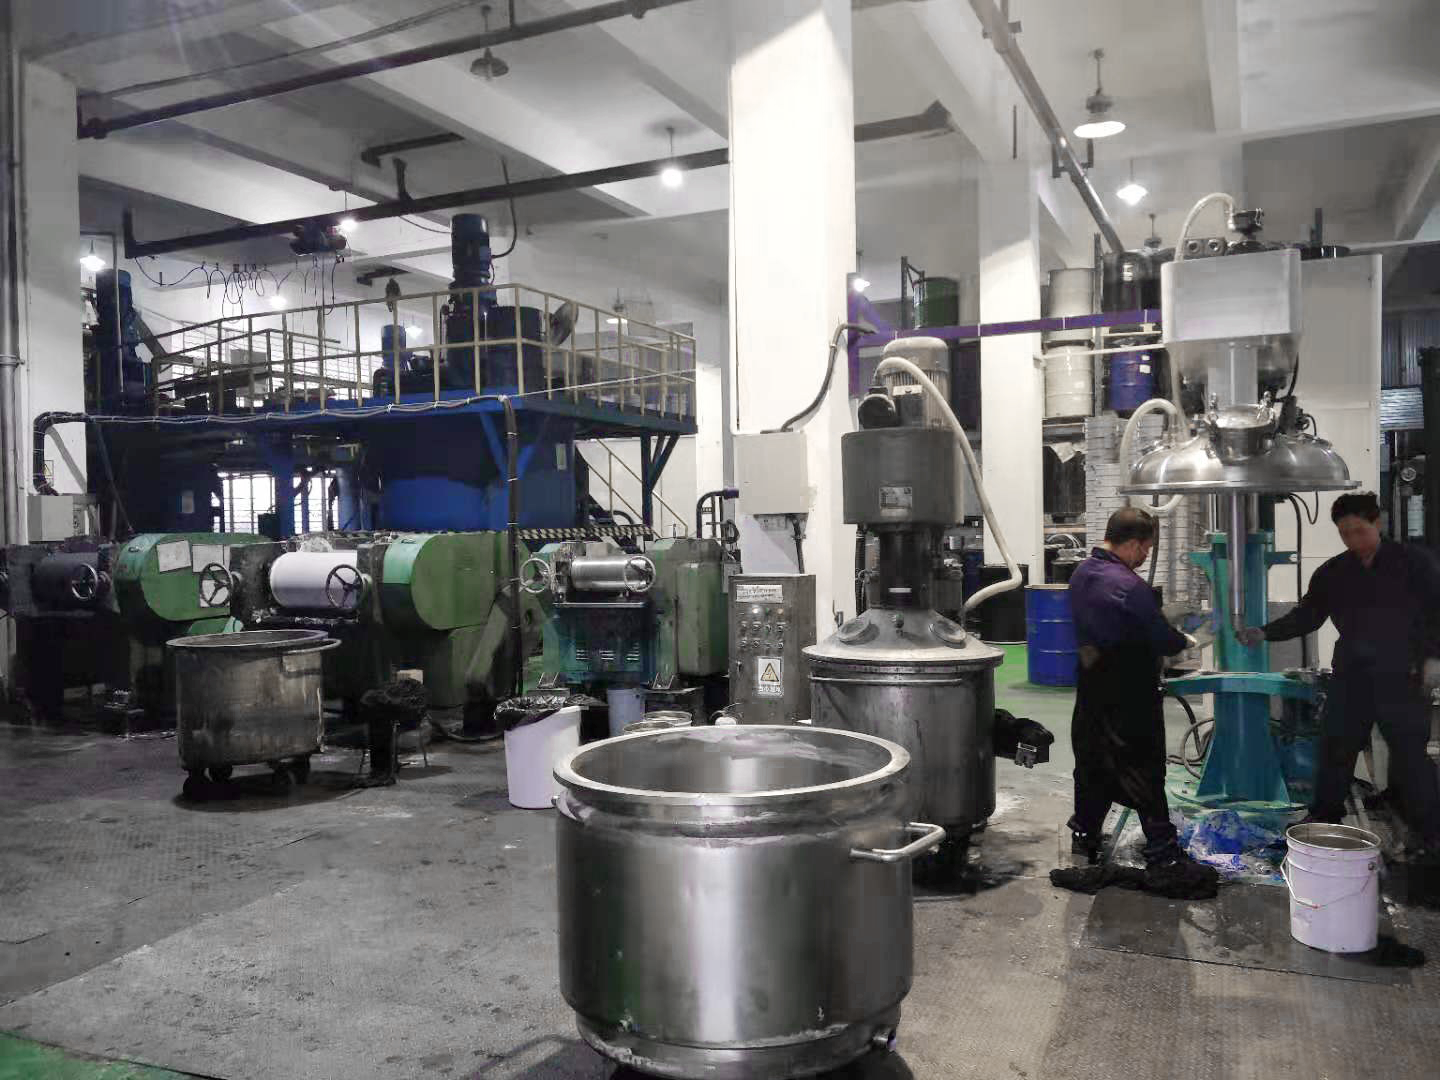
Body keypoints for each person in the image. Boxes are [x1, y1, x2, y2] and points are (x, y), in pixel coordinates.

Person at [1238, 492, 1440, 853]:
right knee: (1336, 748)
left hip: (1403, 675)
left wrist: (1433, 658)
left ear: (1378, 522)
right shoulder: (1334, 572)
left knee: (1410, 754)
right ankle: (1324, 816)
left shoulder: (1415, 564)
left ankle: (1429, 831)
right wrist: (1264, 633)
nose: (1353, 540)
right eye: (1345, 534)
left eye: (1360, 531)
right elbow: (1308, 616)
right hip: (1352, 675)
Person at [1065, 507, 1216, 892]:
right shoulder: (1130, 586)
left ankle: (1084, 837)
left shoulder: (1081, 574)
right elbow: (1163, 638)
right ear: (1132, 544)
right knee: (1143, 770)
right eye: (1145, 549)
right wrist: (1188, 640)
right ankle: (1163, 852)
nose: (1145, 556)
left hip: (1092, 690)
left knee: (1092, 765)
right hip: (1130, 695)